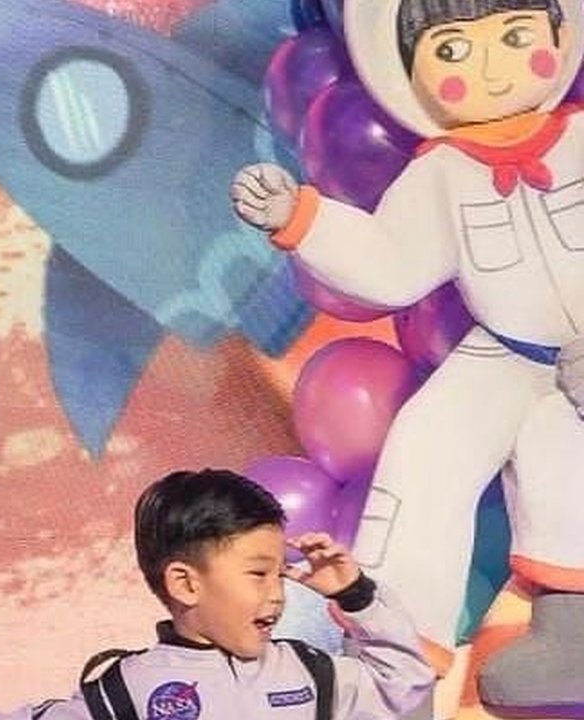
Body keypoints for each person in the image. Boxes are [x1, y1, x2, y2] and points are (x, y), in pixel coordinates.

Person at [230, 0, 584, 712]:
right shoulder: (441, 171)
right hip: (505, 353)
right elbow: (392, 264)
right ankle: (393, 664)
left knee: (560, 451)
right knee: (422, 456)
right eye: (453, 51)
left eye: (515, 38)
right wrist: (303, 219)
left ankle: (572, 632)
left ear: (560, 34)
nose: (491, 67)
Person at [0, 469, 433, 720]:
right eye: (258, 574)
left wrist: (358, 596)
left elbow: (405, 688)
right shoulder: (125, 692)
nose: (277, 595)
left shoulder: (310, 674)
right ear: (184, 583)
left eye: (281, 574)